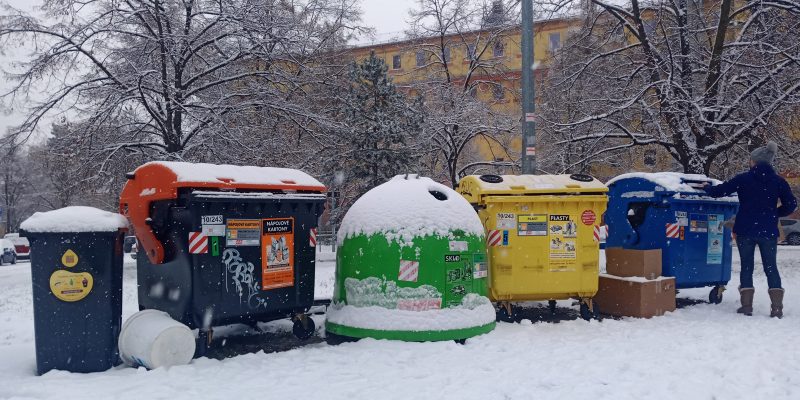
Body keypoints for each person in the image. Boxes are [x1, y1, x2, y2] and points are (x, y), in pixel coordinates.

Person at [704, 141, 797, 318]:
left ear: (754, 161)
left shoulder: (743, 179)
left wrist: (707, 188)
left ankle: (747, 306)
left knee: (747, 266)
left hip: (745, 229)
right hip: (768, 231)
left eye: (750, 159)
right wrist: (774, 213)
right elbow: (791, 205)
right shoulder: (778, 181)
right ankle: (776, 308)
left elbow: (720, 191)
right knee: (771, 267)